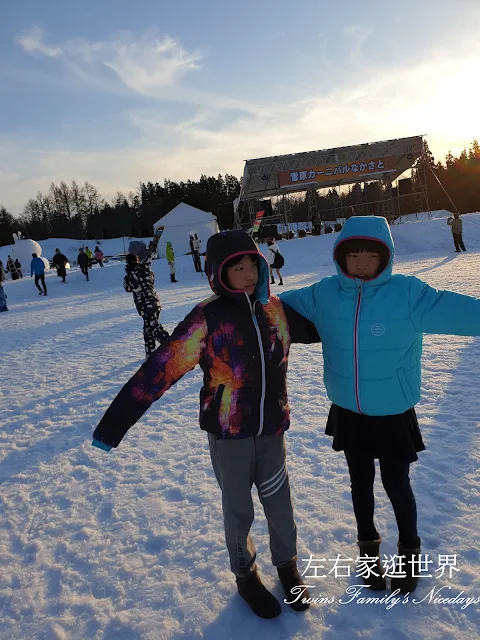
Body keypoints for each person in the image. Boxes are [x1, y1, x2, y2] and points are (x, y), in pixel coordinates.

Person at [92, 230, 320, 619]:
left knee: (280, 505)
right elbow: (159, 369)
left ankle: (288, 566)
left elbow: (324, 328)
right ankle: (245, 575)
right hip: (229, 434)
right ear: (219, 273)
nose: (248, 274)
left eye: (253, 265)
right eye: (237, 268)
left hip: (272, 429)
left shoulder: (276, 310)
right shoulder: (207, 317)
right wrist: (113, 426)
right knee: (238, 509)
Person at [280, 215, 480, 595]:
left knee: (397, 485)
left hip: (392, 412)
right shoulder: (324, 293)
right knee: (360, 485)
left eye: (369, 255)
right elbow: (274, 308)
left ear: (385, 257)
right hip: (349, 413)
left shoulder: (408, 293)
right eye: (351, 254)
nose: (359, 262)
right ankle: (368, 555)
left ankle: (409, 556)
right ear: (340, 257)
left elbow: (461, 311)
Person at [124, 234, 170, 358]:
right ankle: (150, 353)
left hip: (145, 306)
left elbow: (128, 288)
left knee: (154, 327)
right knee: (148, 329)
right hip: (155, 302)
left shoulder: (130, 275)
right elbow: (151, 260)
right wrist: (152, 247)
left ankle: (171, 346)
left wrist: (130, 274)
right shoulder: (145, 269)